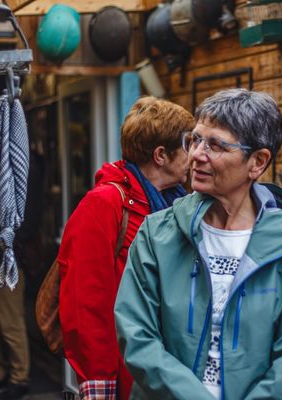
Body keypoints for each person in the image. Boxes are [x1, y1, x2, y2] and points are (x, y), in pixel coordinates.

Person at [115, 89, 282, 400]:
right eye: (195, 140)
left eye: (216, 145)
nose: (196, 154)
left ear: (257, 162)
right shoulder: (157, 235)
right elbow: (137, 335)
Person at [58, 96, 195, 400]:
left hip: (172, 372)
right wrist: (100, 383)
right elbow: (86, 304)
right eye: (188, 145)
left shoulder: (181, 205)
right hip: (126, 376)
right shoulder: (105, 204)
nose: (195, 154)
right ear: (161, 155)